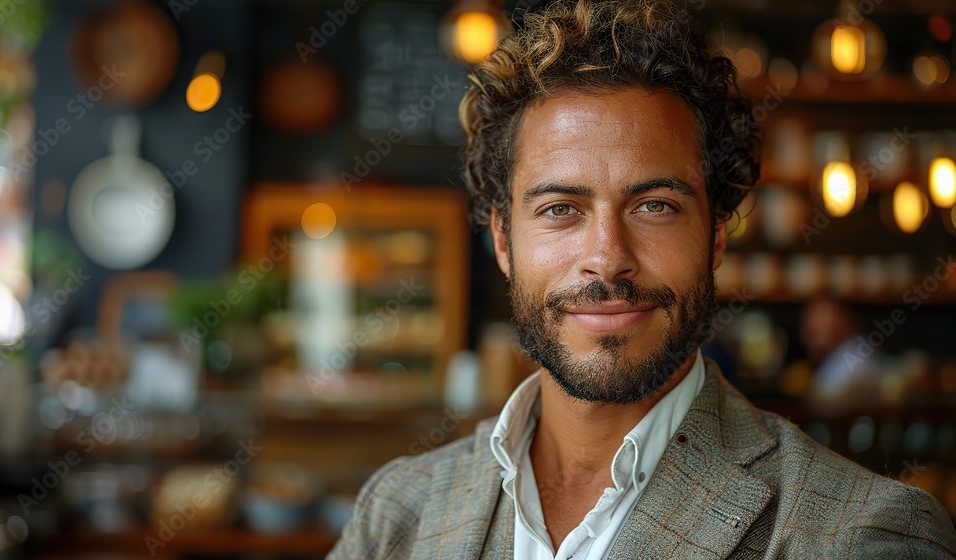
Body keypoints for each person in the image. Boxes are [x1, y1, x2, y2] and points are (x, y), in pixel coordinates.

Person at [328, 0, 956, 558]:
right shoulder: (396, 513)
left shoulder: (868, 536)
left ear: (715, 234)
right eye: (560, 210)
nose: (607, 257)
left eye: (654, 205)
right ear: (502, 239)